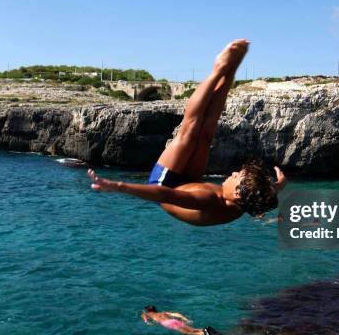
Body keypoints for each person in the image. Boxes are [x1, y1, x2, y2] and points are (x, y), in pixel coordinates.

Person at [88, 39, 286, 226]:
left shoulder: (209, 200)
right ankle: (231, 69)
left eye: (236, 177)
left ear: (237, 194)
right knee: (207, 133)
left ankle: (218, 69)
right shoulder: (251, 198)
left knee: (189, 130)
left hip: (164, 185)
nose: (233, 173)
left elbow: (166, 195)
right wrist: (279, 184)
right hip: (190, 182)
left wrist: (118, 186)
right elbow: (264, 194)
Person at [140, 306, 222, 335]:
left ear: (148, 310)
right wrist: (185, 319)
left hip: (168, 323)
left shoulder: (147, 313)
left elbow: (143, 315)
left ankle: (204, 334)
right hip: (174, 320)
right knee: (192, 329)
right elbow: (176, 314)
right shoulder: (163, 313)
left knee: (186, 333)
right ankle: (205, 330)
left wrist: (146, 321)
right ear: (155, 309)